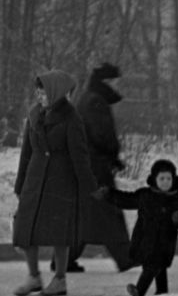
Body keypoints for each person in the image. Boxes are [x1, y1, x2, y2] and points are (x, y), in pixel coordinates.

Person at [12, 70, 99, 296]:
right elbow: (26, 152)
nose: (39, 94)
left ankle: (59, 279)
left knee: (61, 233)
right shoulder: (34, 115)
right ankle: (33, 277)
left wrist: (89, 189)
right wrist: (20, 184)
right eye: (37, 90)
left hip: (61, 182)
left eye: (42, 90)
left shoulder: (71, 118)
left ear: (55, 91)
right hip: (34, 179)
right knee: (25, 227)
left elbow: (80, 156)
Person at [54, 62, 133, 273]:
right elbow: (102, 135)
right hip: (95, 167)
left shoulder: (87, 98)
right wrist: (112, 155)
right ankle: (126, 258)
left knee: (83, 214)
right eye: (116, 82)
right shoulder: (96, 102)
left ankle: (63, 260)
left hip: (83, 165)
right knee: (108, 211)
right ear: (106, 82)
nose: (119, 87)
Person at [98, 158, 178, 296]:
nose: (165, 182)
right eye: (162, 178)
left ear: (174, 179)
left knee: (154, 265)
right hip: (145, 241)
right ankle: (162, 291)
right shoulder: (145, 196)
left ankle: (139, 290)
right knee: (157, 266)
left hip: (165, 243)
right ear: (155, 179)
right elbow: (127, 199)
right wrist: (109, 194)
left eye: (168, 178)